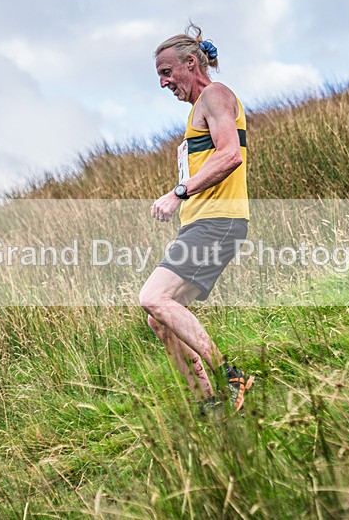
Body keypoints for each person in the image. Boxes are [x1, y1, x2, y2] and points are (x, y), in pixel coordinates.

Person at [139, 25, 254, 415]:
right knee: (161, 320)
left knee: (152, 297)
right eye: (160, 75)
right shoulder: (197, 110)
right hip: (205, 224)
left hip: (217, 222)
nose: (163, 82)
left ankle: (231, 377)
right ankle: (211, 405)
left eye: (166, 71)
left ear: (191, 63)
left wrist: (178, 192)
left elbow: (230, 155)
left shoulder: (215, 94)